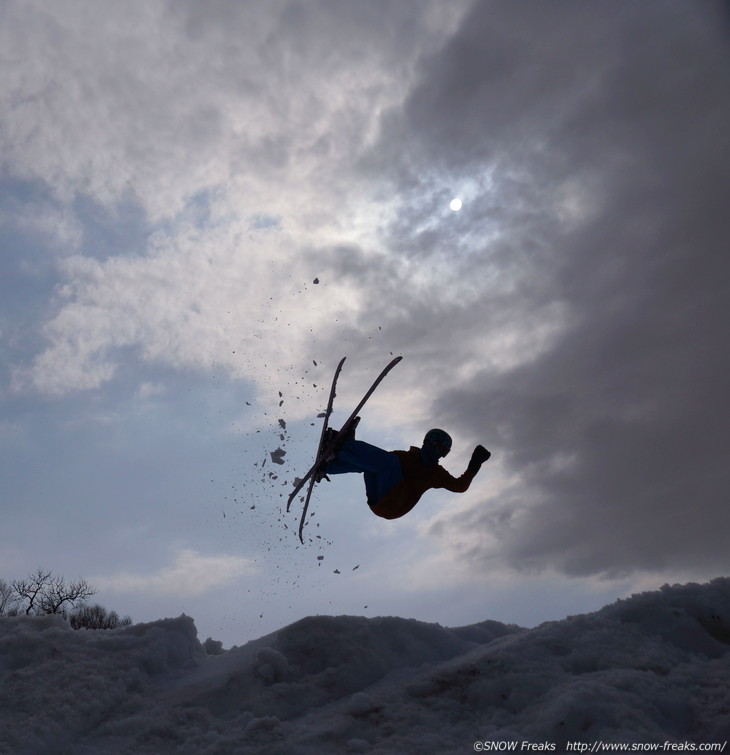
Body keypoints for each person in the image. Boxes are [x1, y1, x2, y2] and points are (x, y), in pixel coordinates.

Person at [320, 423, 491, 520]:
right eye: (439, 449)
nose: (440, 455)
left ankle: (342, 447)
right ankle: (329, 466)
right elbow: (371, 459)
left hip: (396, 505)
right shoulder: (405, 457)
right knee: (374, 463)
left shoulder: (436, 473)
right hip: (378, 502)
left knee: (387, 462)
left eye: (444, 453)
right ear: (428, 443)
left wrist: (475, 464)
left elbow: (459, 486)